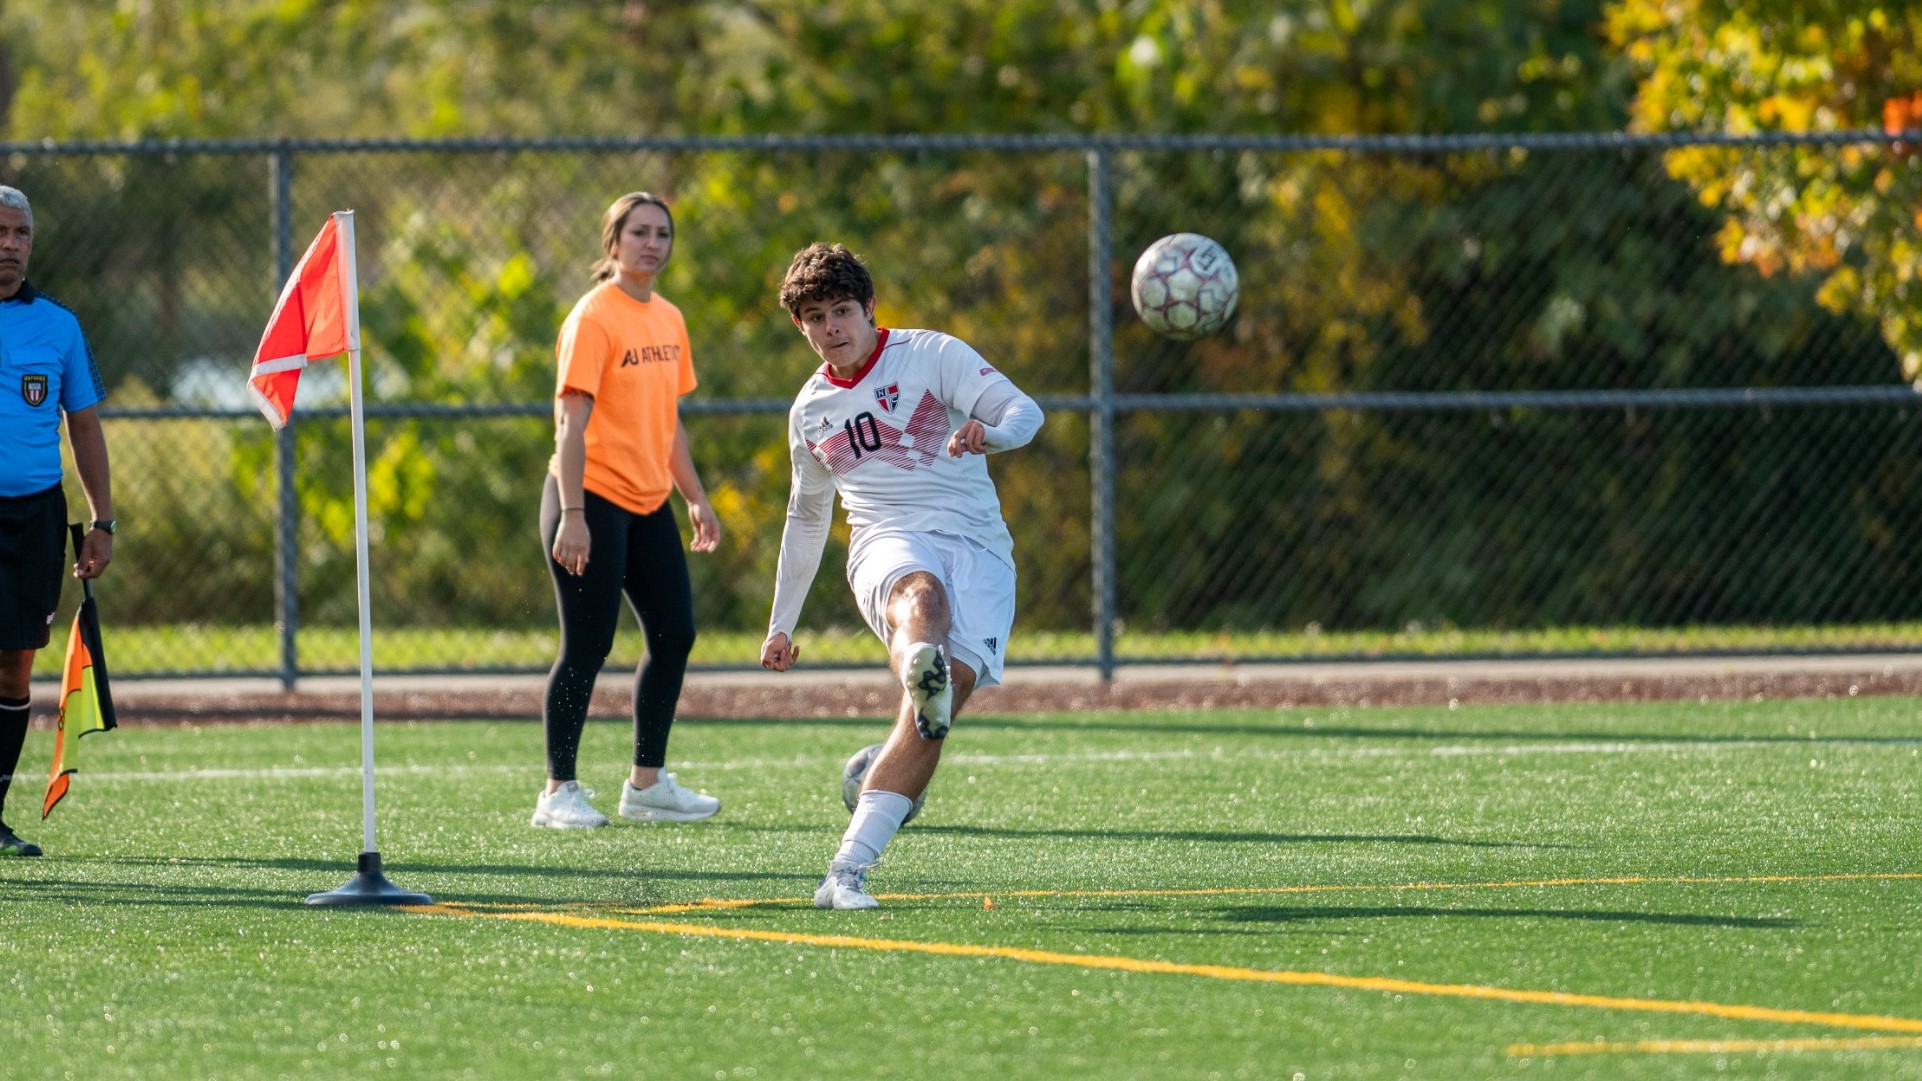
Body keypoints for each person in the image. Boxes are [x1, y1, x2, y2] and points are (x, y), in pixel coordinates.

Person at [760, 242, 1044, 909]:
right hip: (885, 540)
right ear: (800, 327)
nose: (831, 327)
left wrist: (991, 434)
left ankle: (844, 873)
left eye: (841, 310)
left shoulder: (931, 355)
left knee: (933, 714)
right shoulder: (810, 412)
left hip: (979, 548)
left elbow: (1025, 413)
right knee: (923, 595)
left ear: (869, 308)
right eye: (815, 318)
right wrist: (780, 623)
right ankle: (920, 659)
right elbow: (806, 518)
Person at [534, 191, 723, 830]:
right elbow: (570, 423)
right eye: (638, 232)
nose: (651, 243)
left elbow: (668, 423)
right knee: (588, 645)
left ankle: (647, 785)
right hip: (589, 499)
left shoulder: (669, 318)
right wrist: (573, 514)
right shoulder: (593, 318)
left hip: (648, 502)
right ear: (612, 242)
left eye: (662, 234)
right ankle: (557, 791)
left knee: (675, 634)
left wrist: (695, 497)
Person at [0, 185, 114, 858]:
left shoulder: (60, 326)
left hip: (35, 517)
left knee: (16, 664)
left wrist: (104, 521)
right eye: (0, 232)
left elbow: (86, 426)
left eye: (21, 234)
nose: (9, 245)